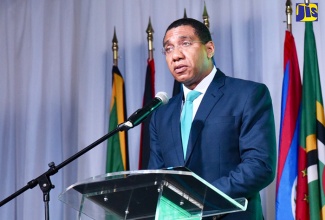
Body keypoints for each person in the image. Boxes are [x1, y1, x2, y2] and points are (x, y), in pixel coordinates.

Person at [147, 18, 276, 220]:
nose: (176, 56)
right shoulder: (161, 115)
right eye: (168, 48)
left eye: (185, 43)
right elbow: (157, 176)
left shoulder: (247, 95)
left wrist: (199, 199)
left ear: (210, 49)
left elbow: (260, 166)